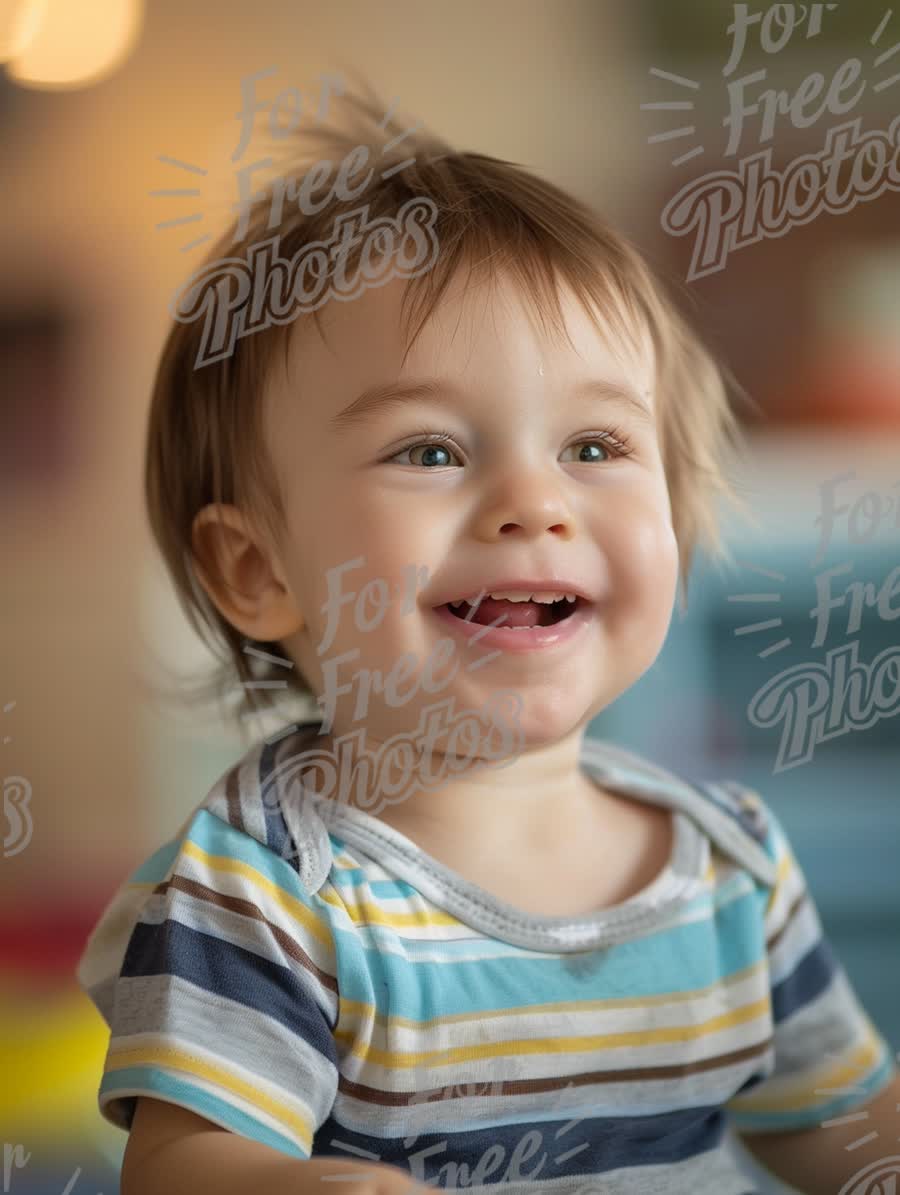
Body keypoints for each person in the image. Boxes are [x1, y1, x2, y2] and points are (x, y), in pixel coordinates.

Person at [76, 83, 898, 1195]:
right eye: (428, 451)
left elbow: (838, 1129)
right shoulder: (267, 885)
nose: (533, 501)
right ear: (258, 570)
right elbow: (179, 1167)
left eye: (596, 444)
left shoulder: (728, 864)